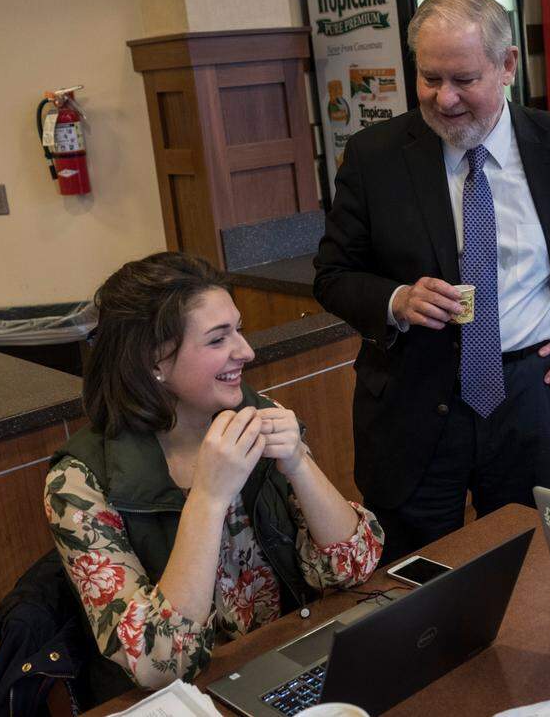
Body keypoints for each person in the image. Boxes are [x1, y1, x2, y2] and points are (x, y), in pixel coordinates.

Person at [314, 0, 550, 562]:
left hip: (535, 392)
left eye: (463, 80)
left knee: (527, 564)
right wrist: (396, 299)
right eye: (429, 78)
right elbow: (333, 274)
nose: (443, 99)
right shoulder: (375, 156)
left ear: (508, 67)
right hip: (413, 398)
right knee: (416, 573)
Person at [44, 252, 383, 690]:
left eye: (238, 330)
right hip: (190, 697)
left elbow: (354, 565)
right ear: (153, 361)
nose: (246, 351)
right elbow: (157, 663)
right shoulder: (78, 483)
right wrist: (207, 498)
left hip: (284, 663)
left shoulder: (257, 417)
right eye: (218, 338)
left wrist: (297, 461)